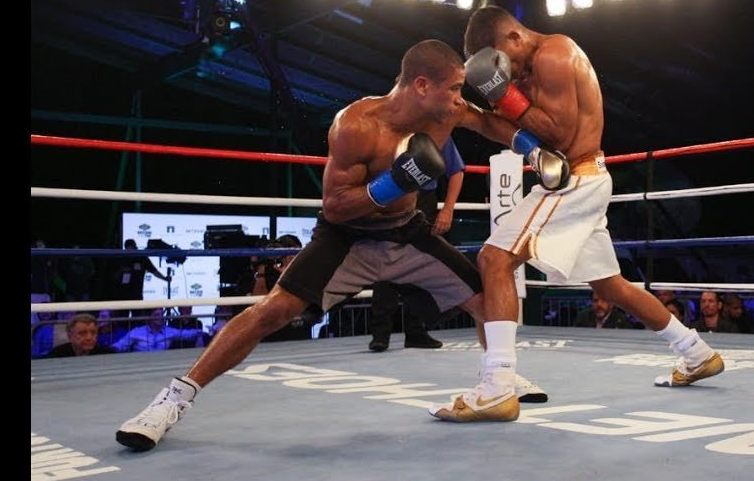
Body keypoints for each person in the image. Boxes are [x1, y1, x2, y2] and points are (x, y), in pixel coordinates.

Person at [114, 40, 547, 451]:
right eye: (452, 88)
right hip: (348, 236)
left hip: (406, 232)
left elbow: (489, 123)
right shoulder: (357, 125)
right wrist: (394, 182)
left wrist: (533, 151)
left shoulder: (446, 113)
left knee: (487, 297)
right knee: (273, 311)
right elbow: (336, 207)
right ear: (421, 85)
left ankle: (498, 379)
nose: (459, 98)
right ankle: (172, 400)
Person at [450, 5, 723, 424]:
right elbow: (518, 133)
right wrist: (475, 117)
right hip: (579, 179)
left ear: (514, 38)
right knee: (611, 285)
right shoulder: (525, 70)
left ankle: (497, 386)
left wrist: (503, 94)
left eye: (505, 61)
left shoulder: (555, 54)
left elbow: (557, 134)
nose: (510, 73)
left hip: (574, 180)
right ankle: (696, 352)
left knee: (493, 259)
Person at [367, 135, 465, 352]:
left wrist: (448, 209)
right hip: (392, 196)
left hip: (424, 199)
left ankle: (416, 332)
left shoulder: (438, 132)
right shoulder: (389, 130)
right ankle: (380, 334)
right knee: (386, 261)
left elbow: (457, 171)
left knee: (420, 264)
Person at [111, 308, 210, 352]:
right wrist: (110, 349)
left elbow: (186, 334)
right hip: (140, 363)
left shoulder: (169, 331)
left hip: (161, 363)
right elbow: (121, 345)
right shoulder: (137, 332)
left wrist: (201, 333)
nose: (160, 317)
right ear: (149, 317)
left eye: (162, 315)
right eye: (157, 315)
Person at [47, 313, 117, 358]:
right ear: (70, 336)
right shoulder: (56, 355)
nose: (89, 338)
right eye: (82, 333)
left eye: (93, 333)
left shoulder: (108, 354)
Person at [574, 288, 641, 329]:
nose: (599, 304)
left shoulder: (622, 321)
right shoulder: (583, 317)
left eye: (603, 300)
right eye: (595, 301)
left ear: (611, 303)